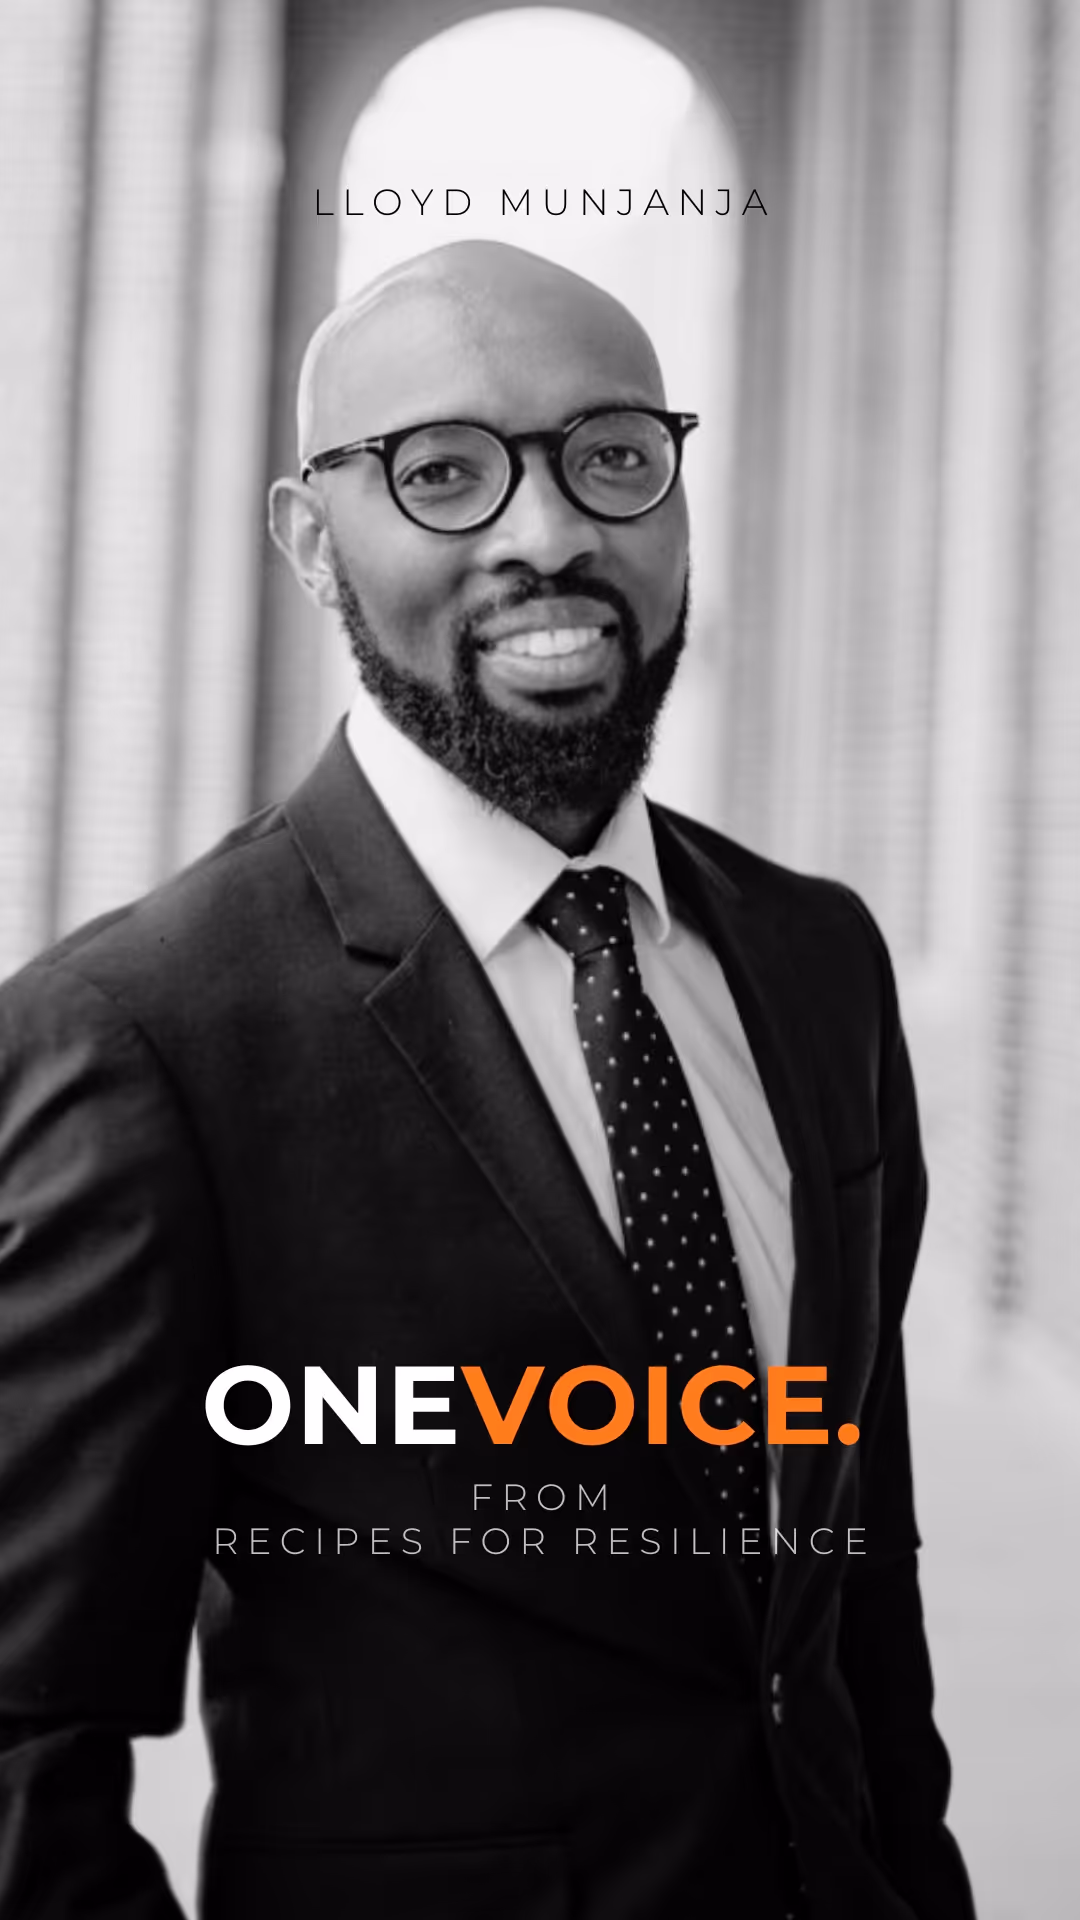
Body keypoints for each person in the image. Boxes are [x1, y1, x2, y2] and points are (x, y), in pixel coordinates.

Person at [0, 241, 974, 1920]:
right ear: (313, 543)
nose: (550, 533)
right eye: (442, 473)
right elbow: (21, 1746)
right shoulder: (143, 1037)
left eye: (613, 455)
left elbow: (851, 1578)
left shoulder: (820, 964)